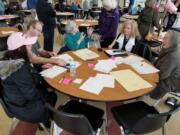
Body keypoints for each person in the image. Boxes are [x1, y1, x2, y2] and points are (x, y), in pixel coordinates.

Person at [0, 31, 57, 124]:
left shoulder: (9, 60)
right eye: (28, 46)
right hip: (25, 109)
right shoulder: (19, 69)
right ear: (19, 49)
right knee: (52, 95)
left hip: (13, 102)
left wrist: (39, 69)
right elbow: (32, 95)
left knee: (45, 88)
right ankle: (45, 120)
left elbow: (25, 77)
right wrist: (47, 89)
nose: (31, 47)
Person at [149, 30, 180, 100]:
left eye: (166, 38)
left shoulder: (173, 56)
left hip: (166, 83)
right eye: (164, 37)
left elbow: (161, 75)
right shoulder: (170, 48)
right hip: (162, 75)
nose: (163, 40)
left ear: (173, 41)